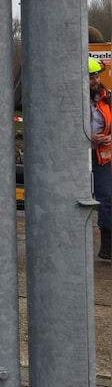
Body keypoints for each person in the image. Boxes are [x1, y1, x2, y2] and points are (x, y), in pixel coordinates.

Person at [88, 57, 112, 261]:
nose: (95, 80)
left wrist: (108, 137)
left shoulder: (107, 98)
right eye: (90, 77)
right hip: (76, 160)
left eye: (96, 76)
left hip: (102, 158)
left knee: (106, 200)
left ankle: (107, 247)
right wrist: (88, 138)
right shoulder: (70, 100)